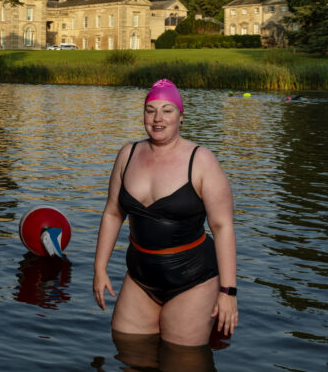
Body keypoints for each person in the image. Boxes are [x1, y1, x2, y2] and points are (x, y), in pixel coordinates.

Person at [93, 79, 238, 346]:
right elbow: (113, 213)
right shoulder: (128, 154)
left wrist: (228, 292)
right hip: (140, 276)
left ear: (181, 116)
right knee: (128, 355)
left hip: (192, 279)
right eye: (150, 110)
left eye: (167, 110)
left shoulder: (201, 160)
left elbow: (223, 227)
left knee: (183, 369)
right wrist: (99, 268)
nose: (158, 118)